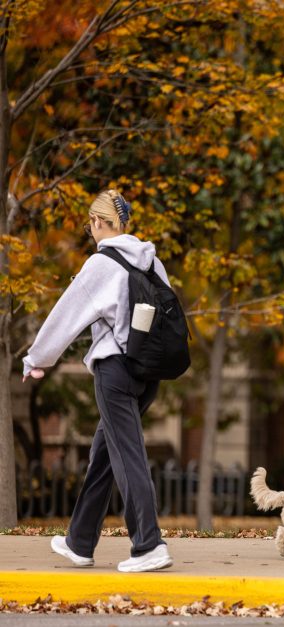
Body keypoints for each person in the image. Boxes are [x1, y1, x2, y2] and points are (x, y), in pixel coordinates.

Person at [22, 189, 174, 572]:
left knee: (127, 456)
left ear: (97, 222)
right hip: (148, 373)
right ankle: (80, 542)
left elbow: (66, 314)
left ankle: (148, 545)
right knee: (105, 455)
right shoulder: (151, 261)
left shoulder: (102, 263)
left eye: (91, 223)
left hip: (115, 372)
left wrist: (37, 358)